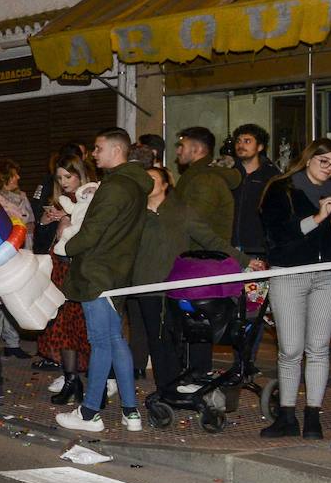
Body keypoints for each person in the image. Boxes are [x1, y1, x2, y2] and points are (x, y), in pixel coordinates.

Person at [55, 129, 151, 433]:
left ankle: (89, 413)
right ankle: (130, 411)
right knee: (115, 340)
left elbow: (94, 230)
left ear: (116, 151)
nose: (93, 155)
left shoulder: (115, 186)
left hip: (98, 271)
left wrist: (66, 247)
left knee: (101, 342)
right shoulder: (136, 185)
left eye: (98, 149)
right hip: (118, 271)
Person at [130, 164, 251, 393]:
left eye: (153, 178)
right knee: (156, 340)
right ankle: (164, 388)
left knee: (178, 337)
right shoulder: (133, 214)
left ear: (166, 184)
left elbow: (211, 240)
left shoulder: (182, 211)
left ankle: (183, 383)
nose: (147, 182)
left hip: (177, 287)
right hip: (145, 286)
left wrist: (243, 260)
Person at [258, 139, 331, 439]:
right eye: (324, 161)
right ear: (309, 159)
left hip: (326, 274)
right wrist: (317, 219)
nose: (329, 168)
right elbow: (276, 237)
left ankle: (312, 416)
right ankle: (287, 415)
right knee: (290, 349)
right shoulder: (282, 189)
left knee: (318, 349)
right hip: (289, 274)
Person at [36, 155, 96, 388]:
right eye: (60, 177)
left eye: (68, 176)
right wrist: (45, 221)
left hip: (81, 269)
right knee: (62, 325)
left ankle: (100, 376)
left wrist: (70, 218)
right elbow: (41, 243)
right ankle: (71, 378)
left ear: (80, 175)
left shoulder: (92, 197)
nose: (63, 181)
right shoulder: (59, 201)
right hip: (58, 269)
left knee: (85, 326)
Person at [0, 158, 33, 360]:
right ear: (3, 177)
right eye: (14, 174)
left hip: (23, 250)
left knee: (17, 299)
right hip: (2, 253)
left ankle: (13, 343)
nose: (18, 178)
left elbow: (30, 220)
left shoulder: (22, 196)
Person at [174, 126, 240, 242]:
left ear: (197, 149)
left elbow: (193, 220)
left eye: (181, 146)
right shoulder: (195, 175)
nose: (178, 151)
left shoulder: (207, 180)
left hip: (201, 255)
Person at [231, 123, 280, 259]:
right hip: (229, 248)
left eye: (247, 141)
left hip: (260, 249)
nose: (241, 145)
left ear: (260, 147)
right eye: (238, 141)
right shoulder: (227, 173)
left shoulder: (271, 177)